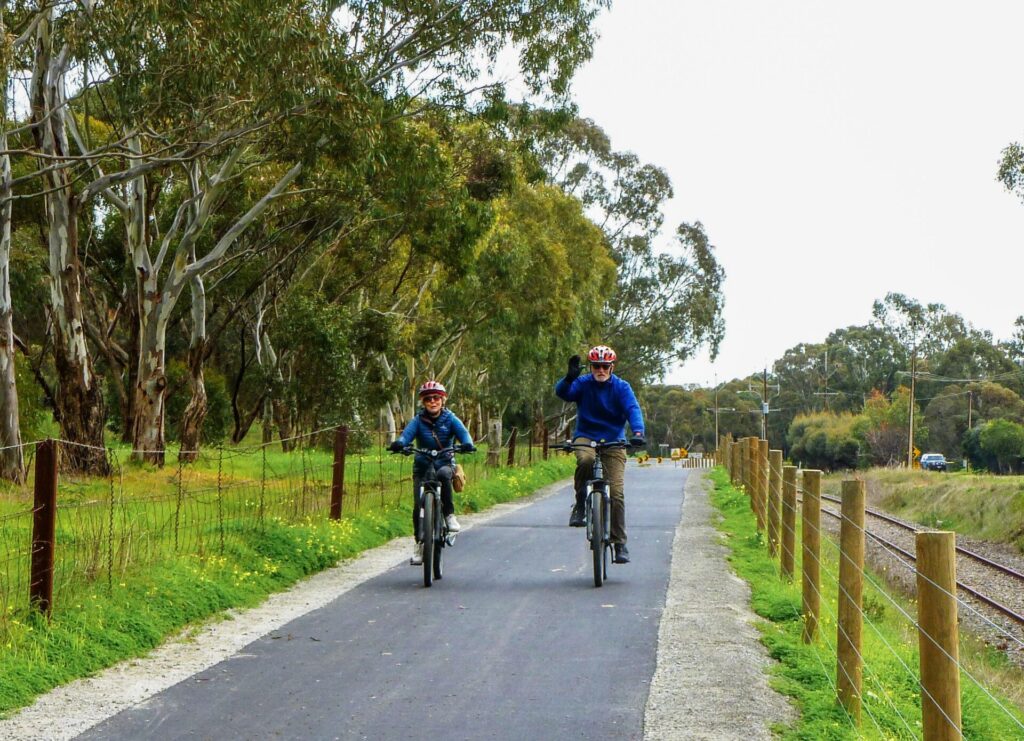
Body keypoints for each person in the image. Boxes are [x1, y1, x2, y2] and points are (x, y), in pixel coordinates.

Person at [554, 345, 645, 564]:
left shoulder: (622, 387)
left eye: (605, 366)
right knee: (585, 459)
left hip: (614, 440)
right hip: (586, 436)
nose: (600, 370)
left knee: (616, 493)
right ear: (591, 367)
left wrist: (638, 432)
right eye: (596, 366)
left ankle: (619, 542)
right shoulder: (583, 384)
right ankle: (579, 504)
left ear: (611, 367)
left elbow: (633, 409)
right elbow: (563, 393)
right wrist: (568, 378)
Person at [389, 381, 475, 565]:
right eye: (428, 399)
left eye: (436, 398)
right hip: (422, 465)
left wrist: (467, 444)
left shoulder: (450, 418)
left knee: (444, 475)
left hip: (445, 462)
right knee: (417, 507)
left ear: (442, 400)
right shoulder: (418, 420)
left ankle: (449, 516)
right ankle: (420, 545)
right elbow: (406, 435)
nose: (433, 402)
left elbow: (464, 434)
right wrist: (400, 443)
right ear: (423, 402)